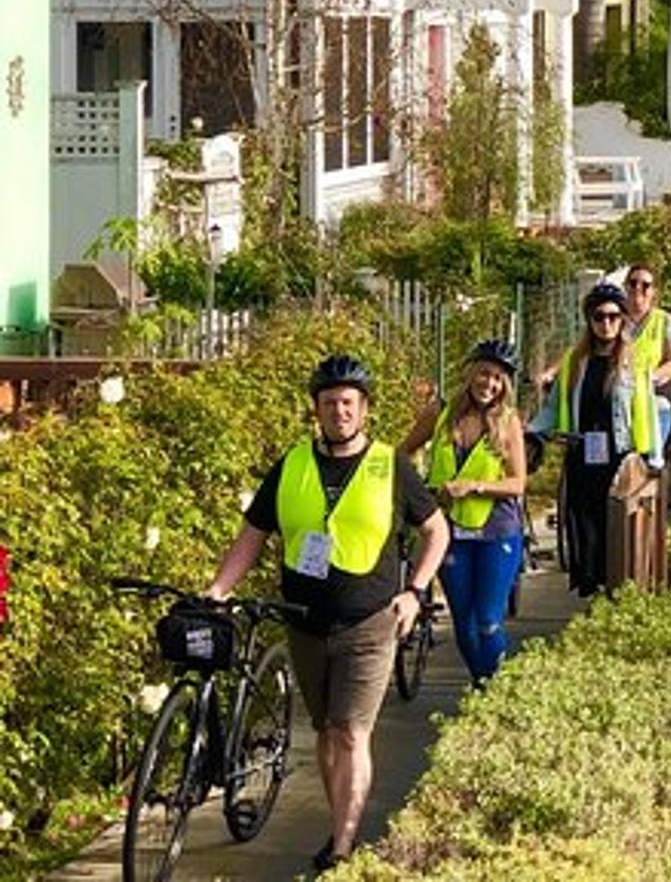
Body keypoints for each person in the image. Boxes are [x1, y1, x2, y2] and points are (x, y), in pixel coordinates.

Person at [203, 354, 445, 874]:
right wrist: (219, 588)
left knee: (352, 732)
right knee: (327, 731)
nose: (340, 411)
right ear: (316, 409)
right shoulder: (292, 464)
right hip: (305, 623)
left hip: (370, 623)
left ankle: (342, 845)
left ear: (365, 409)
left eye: (349, 402)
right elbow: (253, 534)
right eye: (330, 402)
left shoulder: (391, 466)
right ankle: (340, 825)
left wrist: (414, 592)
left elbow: (436, 531)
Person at [399, 339, 527, 686]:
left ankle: (499, 688)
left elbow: (518, 483)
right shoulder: (440, 414)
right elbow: (403, 453)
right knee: (464, 624)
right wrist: (414, 490)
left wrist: (476, 486)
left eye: (498, 378)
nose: (490, 384)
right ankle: (483, 686)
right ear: (470, 373)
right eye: (484, 374)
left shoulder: (508, 422)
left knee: (487, 620)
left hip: (497, 532)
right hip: (450, 532)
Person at [530, 283, 659, 596]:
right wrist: (530, 431)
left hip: (620, 457)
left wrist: (653, 459)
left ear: (623, 320)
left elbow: (648, 409)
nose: (606, 324)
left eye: (614, 317)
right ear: (589, 320)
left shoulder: (634, 362)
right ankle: (594, 586)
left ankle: (615, 586)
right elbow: (553, 408)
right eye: (599, 317)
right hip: (582, 454)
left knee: (615, 526)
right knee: (585, 525)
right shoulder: (575, 362)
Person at [622, 263, 671, 455]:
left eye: (645, 285)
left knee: (648, 456)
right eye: (633, 283)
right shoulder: (612, 318)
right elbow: (579, 350)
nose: (638, 288)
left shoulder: (664, 321)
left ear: (654, 292)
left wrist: (648, 377)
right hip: (619, 396)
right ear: (625, 287)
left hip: (653, 396)